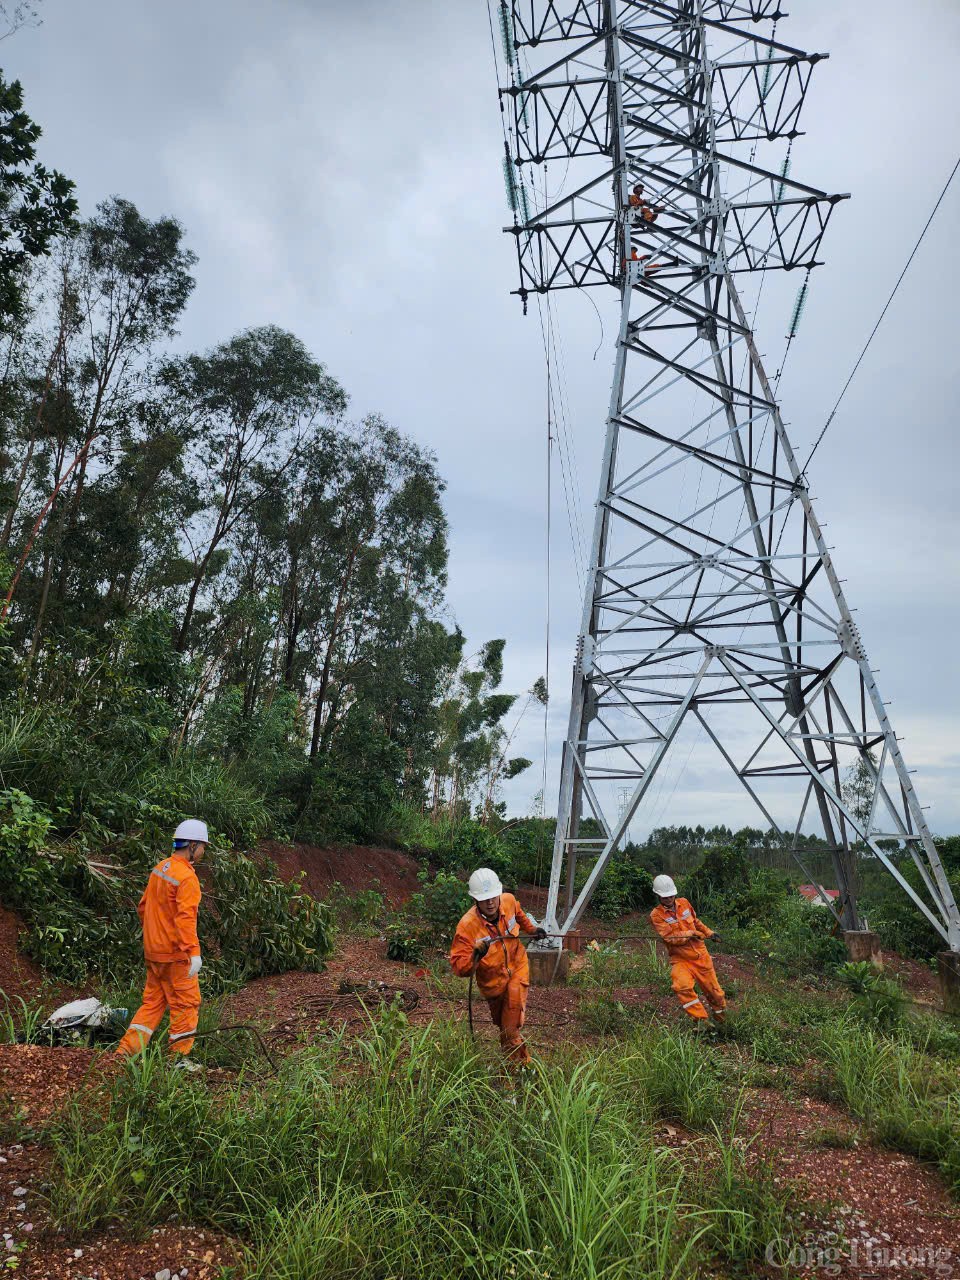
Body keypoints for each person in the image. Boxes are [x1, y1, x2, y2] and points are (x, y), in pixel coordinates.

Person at [115, 819, 209, 1066]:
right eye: (203, 846)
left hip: (153, 953)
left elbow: (143, 907)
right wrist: (193, 952)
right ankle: (179, 1059)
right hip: (175, 955)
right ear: (192, 845)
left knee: (152, 1004)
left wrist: (155, 936)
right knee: (186, 1004)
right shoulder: (186, 878)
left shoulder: (160, 868)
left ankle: (124, 1053)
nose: (203, 852)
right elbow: (185, 919)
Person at [449, 868, 547, 1066]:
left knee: (510, 1028)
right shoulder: (467, 927)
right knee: (504, 1025)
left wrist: (532, 930)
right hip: (493, 984)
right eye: (484, 899)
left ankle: (519, 1070)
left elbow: (519, 915)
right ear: (475, 900)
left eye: (493, 897)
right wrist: (475, 955)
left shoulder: (508, 901)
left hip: (517, 967)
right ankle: (516, 1066)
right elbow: (460, 968)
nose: (490, 903)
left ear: (499, 893)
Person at [649, 874, 726, 1026]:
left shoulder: (684, 903)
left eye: (671, 896)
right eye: (665, 897)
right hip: (680, 959)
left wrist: (710, 933)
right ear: (658, 896)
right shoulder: (656, 915)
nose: (668, 899)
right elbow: (670, 937)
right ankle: (701, 1022)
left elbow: (696, 922)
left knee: (715, 993)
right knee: (682, 986)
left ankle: (722, 1021)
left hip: (700, 956)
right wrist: (691, 933)